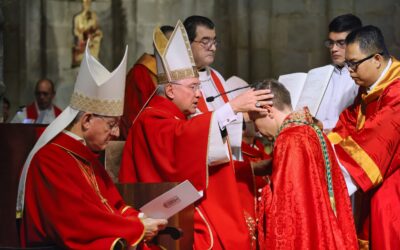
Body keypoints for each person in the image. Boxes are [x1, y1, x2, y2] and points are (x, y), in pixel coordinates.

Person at [119, 21, 272, 250]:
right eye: (192, 87)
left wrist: (242, 117)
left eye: (199, 87)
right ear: (170, 90)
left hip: (184, 201)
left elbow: (199, 135)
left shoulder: (178, 116)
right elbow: (183, 140)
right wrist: (232, 108)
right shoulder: (151, 118)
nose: (198, 94)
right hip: (167, 210)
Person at [16, 43, 167, 249]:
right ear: (86, 120)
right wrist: (137, 228)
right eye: (111, 124)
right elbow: (77, 221)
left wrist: (140, 217)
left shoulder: (86, 156)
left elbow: (113, 206)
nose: (115, 133)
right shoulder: (50, 159)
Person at [249, 79, 358, 250]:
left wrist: (266, 196)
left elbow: (288, 209)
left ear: (268, 110)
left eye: (254, 119)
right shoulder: (311, 130)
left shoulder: (290, 139)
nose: (256, 130)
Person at [328, 25, 400, 249]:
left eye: (354, 64)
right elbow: (347, 126)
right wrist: (314, 145)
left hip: (393, 182)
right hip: (381, 175)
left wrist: (327, 175)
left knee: (383, 208)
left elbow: (375, 142)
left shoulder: (396, 93)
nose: (349, 71)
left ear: (377, 59)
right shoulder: (370, 88)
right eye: (347, 64)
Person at [120, 25, 174, 139]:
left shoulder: (179, 73)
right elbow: (131, 114)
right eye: (170, 44)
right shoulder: (141, 73)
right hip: (146, 135)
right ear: (158, 46)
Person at [316, 14, 362, 131]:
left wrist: (323, 125)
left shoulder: (362, 76)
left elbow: (360, 119)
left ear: (356, 42)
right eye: (331, 43)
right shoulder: (319, 74)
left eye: (341, 43)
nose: (334, 49)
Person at [72, 0, 103, 67]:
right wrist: (83, 36)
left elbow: (97, 30)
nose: (87, 5)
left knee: (97, 39)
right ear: (82, 4)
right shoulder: (78, 18)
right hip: (83, 41)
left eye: (88, 3)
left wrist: (93, 36)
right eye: (85, 3)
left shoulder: (94, 17)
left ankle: (93, 58)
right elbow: (76, 32)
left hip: (92, 40)